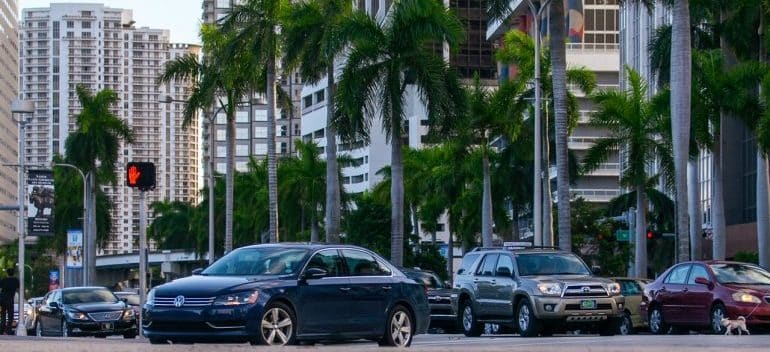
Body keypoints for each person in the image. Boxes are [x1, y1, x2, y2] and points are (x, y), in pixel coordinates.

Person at [0, 268, 20, 335]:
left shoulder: (4, 280)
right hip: (10, 299)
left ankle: (1, 330)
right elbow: (18, 289)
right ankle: (8, 330)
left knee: (3, 315)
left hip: (2, 299)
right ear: (13, 273)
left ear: (7, 273)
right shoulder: (16, 281)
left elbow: (0, 288)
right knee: (10, 316)